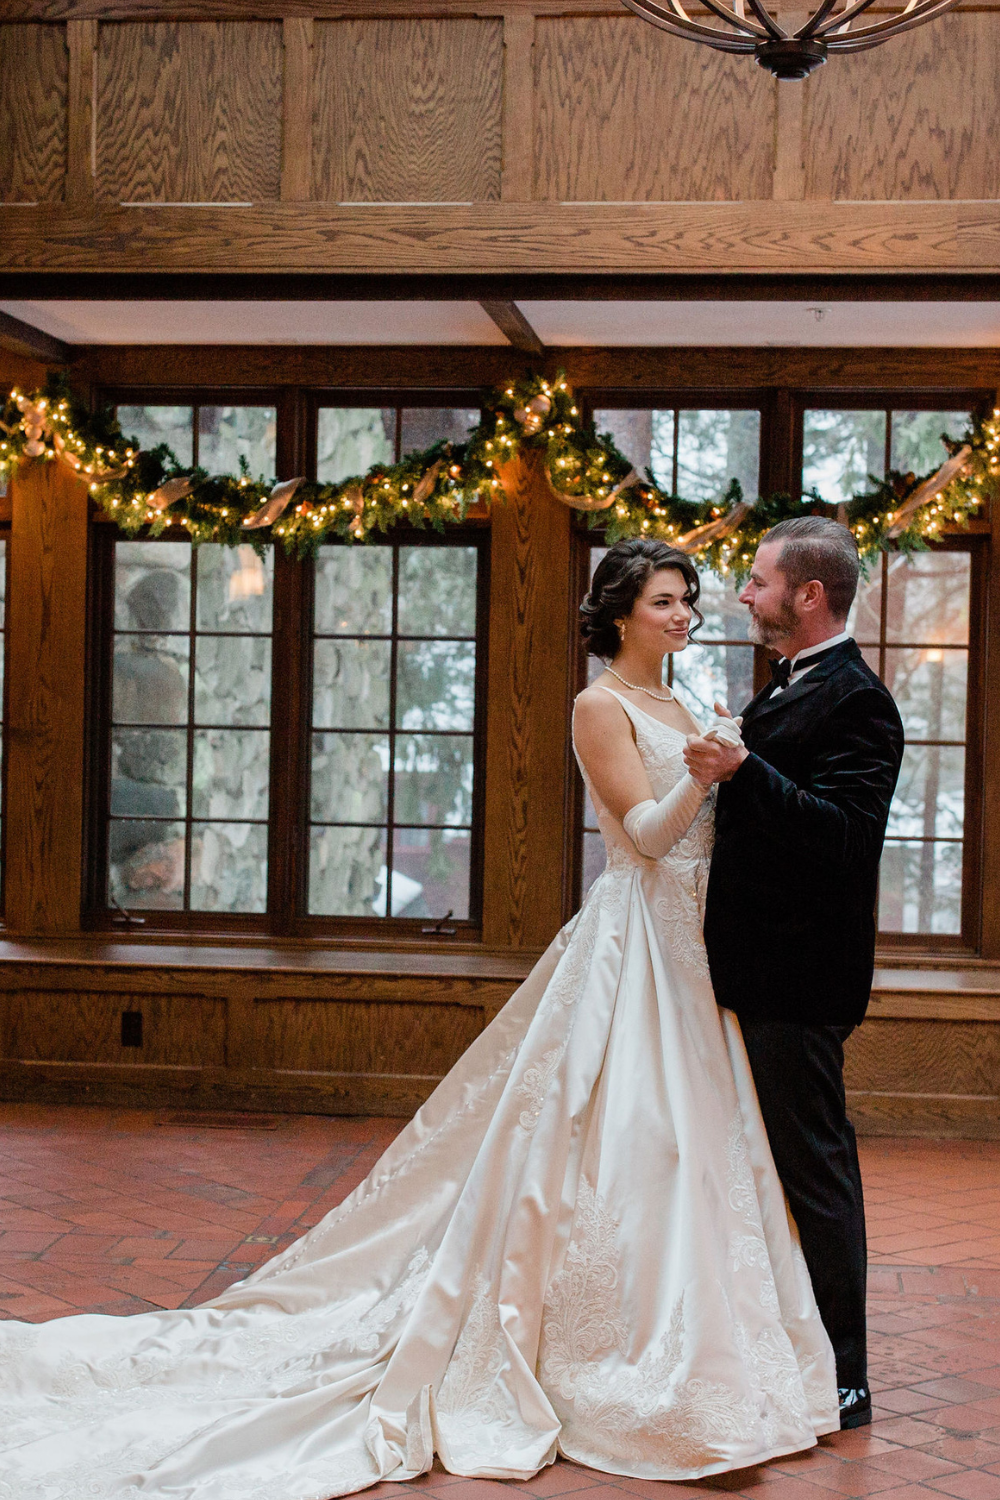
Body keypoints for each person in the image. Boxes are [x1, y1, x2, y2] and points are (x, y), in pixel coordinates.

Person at [0, 538, 838, 1498]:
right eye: (664, 600)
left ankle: (702, 1353)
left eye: (688, 598)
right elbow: (645, 839)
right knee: (623, 1142)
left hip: (694, 957)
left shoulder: (688, 704)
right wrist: (705, 776)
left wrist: (720, 767)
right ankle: (596, 1352)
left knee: (697, 1155)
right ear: (618, 614)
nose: (685, 614)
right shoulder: (597, 706)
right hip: (634, 943)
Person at [684, 516, 905, 1432]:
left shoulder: (860, 701)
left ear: (808, 595)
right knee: (763, 1169)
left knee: (814, 1171)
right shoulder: (787, 686)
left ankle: (844, 1377)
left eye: (759, 579)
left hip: (797, 983)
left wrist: (744, 771)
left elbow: (845, 841)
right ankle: (785, 1345)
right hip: (746, 971)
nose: (743, 593)